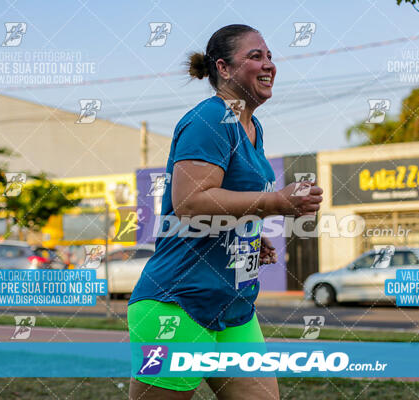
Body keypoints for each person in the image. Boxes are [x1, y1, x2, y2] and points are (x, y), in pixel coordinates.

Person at [128, 24, 323, 400]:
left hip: (234, 308)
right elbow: (189, 203)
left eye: (269, 56)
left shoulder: (252, 126)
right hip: (178, 304)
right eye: (255, 56)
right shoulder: (209, 120)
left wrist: (248, 232)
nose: (268, 64)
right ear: (224, 68)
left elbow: (222, 202)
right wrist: (277, 203)